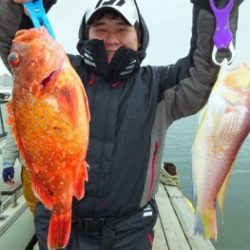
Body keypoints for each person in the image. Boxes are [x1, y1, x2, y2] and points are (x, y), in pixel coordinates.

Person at [0, 0, 243, 249]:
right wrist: (16, 3)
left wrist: (213, 6)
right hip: (58, 222)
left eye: (122, 29)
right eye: (101, 29)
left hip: (130, 232)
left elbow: (202, 74)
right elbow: (12, 42)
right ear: (86, 34)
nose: (111, 39)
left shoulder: (159, 87)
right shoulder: (58, 74)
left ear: (139, 37)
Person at [2, 124, 38, 214]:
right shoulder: (18, 110)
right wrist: (8, 163)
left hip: (62, 167)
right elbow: (13, 132)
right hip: (30, 170)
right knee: (36, 206)